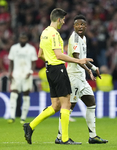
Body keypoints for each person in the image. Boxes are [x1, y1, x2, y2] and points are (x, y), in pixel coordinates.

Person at [23, 8, 93, 145]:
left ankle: (30, 126)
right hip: (58, 69)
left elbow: (40, 55)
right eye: (63, 20)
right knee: (66, 103)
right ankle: (65, 138)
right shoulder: (54, 34)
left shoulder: (44, 33)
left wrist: (50, 62)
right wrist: (78, 61)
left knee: (55, 105)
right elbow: (59, 55)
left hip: (50, 70)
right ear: (59, 19)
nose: (64, 22)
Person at [55, 14, 108, 144]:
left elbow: (84, 58)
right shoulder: (75, 38)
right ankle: (60, 136)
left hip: (81, 78)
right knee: (69, 107)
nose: (80, 26)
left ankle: (93, 136)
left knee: (91, 103)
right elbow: (78, 58)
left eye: (83, 24)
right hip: (74, 77)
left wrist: (94, 67)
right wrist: (89, 70)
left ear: (86, 26)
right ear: (74, 26)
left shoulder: (83, 38)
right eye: (78, 24)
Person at [7, 32, 37, 124]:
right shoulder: (14, 48)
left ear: (27, 39)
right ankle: (12, 116)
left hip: (26, 74)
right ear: (19, 38)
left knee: (26, 95)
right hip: (16, 74)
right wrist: (10, 72)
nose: (23, 40)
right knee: (13, 94)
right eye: (21, 38)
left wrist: (31, 72)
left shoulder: (31, 49)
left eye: (24, 38)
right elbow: (11, 61)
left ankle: (23, 118)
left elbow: (33, 62)